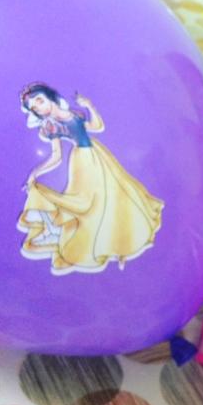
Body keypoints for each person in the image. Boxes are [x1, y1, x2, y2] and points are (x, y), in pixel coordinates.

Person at [18, 82, 164, 275]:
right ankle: (68, 235)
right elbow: (56, 157)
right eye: (35, 108)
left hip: (98, 156)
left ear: (50, 97)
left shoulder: (75, 114)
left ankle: (119, 243)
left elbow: (97, 126)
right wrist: (35, 173)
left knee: (113, 199)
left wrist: (89, 106)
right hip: (81, 163)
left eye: (40, 100)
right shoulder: (51, 126)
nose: (39, 107)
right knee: (86, 204)